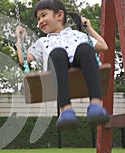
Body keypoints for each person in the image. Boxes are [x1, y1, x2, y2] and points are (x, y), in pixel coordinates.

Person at [15, 0, 109, 129]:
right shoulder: (43, 41)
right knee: (58, 53)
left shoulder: (79, 35)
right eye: (38, 19)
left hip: (79, 69)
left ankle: (96, 105)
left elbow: (103, 46)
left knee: (85, 49)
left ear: (59, 15)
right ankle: (66, 109)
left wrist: (89, 29)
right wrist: (19, 39)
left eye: (43, 15)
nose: (40, 21)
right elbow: (23, 59)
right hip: (56, 71)